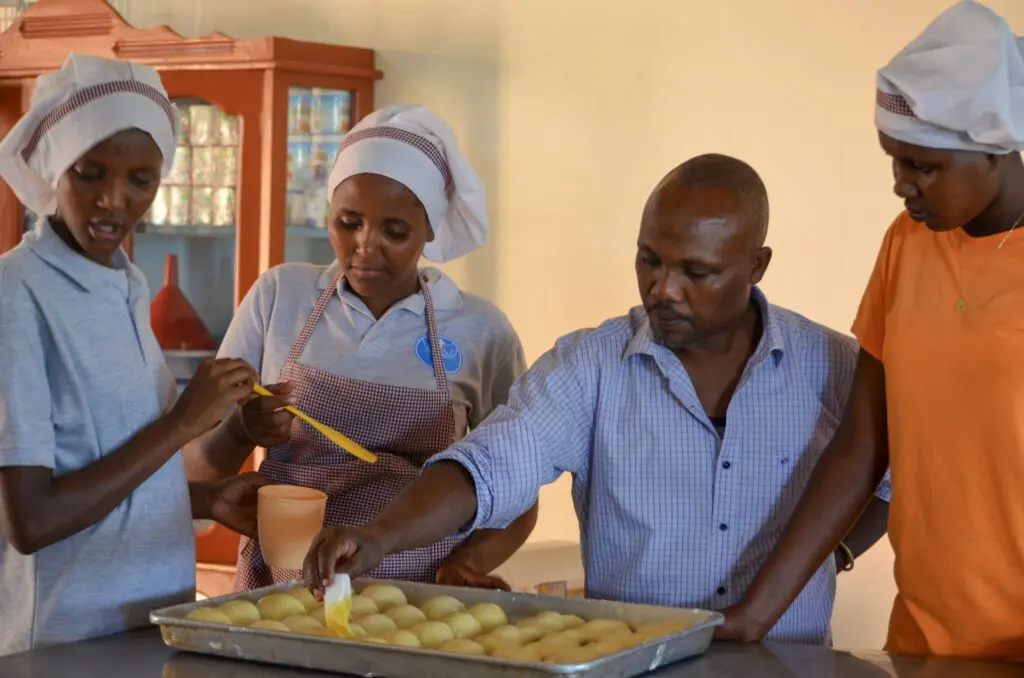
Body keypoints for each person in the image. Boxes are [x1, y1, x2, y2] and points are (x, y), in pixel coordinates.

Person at [301, 153, 892, 645]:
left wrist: (830, 554)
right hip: (635, 656)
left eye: (697, 272)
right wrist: (380, 534)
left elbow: (893, 481)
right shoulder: (593, 366)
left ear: (756, 265)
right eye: (650, 260)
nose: (664, 289)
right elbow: (492, 463)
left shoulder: (833, 367)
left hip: (788, 664)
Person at [714, 0, 1024, 661]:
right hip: (925, 638)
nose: (900, 184)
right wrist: (754, 614)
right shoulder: (908, 243)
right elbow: (862, 445)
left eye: (923, 166)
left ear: (994, 149)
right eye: (894, 159)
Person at [187, 105, 538, 591]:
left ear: (431, 229)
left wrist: (468, 565)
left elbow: (517, 484)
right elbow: (199, 472)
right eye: (348, 222)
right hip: (285, 589)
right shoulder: (279, 297)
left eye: (395, 231)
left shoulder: (481, 330)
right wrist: (243, 431)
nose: (365, 247)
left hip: (418, 595)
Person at [0, 54, 265, 656]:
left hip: (152, 621)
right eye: (90, 173)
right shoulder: (17, 295)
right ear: (54, 166)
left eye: (140, 181)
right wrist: (182, 424)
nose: (113, 202)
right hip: (64, 642)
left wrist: (203, 500)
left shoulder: (123, 283)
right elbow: (31, 521)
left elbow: (104, 470)